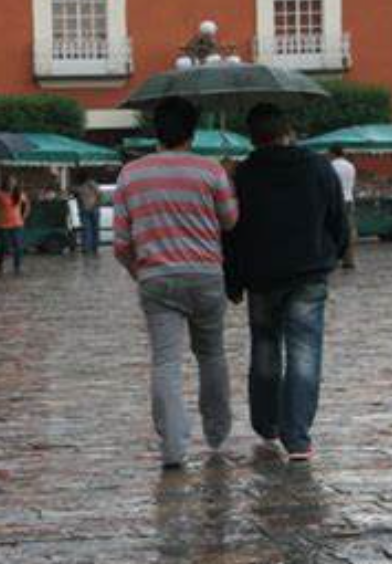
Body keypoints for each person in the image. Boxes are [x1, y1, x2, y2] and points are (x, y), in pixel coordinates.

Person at [113, 97, 239, 470]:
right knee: (211, 354)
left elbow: (121, 242)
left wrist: (140, 271)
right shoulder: (211, 171)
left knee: (166, 361)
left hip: (156, 276)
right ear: (192, 131)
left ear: (157, 131)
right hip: (205, 275)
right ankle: (216, 431)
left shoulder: (131, 175)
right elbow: (230, 221)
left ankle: (173, 444)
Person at [226, 103, 348, 463]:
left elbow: (232, 232)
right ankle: (297, 437)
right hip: (309, 272)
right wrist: (335, 253)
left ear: (252, 137)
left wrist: (232, 279)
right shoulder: (318, 167)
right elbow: (337, 217)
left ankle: (267, 423)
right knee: (304, 353)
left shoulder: (243, 175)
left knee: (265, 349)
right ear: (287, 131)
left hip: (261, 276)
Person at [0, 176, 30, 274]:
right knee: (4, 246)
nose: (11, 184)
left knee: (18, 245)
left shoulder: (19, 194)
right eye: (9, 182)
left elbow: (27, 205)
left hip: (17, 224)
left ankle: (17, 266)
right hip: (3, 224)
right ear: (5, 183)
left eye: (13, 182)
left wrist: (24, 216)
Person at [329, 146, 358, 270]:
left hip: (335, 200)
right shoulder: (351, 166)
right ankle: (349, 259)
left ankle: (332, 259)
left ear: (332, 153)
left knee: (331, 230)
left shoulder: (330, 165)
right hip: (349, 199)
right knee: (350, 229)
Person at [77, 176, 102, 254]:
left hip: (86, 209)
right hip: (92, 209)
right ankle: (93, 248)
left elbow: (79, 199)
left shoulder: (83, 186)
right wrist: (96, 204)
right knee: (93, 230)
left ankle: (87, 248)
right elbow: (100, 194)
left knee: (87, 230)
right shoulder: (92, 184)